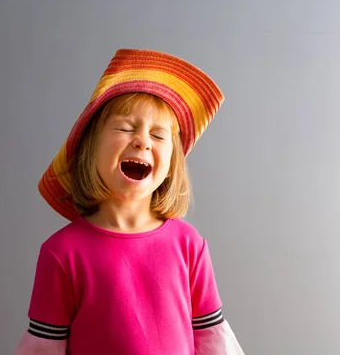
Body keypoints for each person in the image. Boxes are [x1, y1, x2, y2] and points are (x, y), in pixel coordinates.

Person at [14, 48, 245, 355]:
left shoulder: (189, 245)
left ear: (172, 164)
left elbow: (213, 340)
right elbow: (43, 349)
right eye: (124, 128)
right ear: (90, 149)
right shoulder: (62, 254)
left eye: (159, 135)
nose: (143, 141)